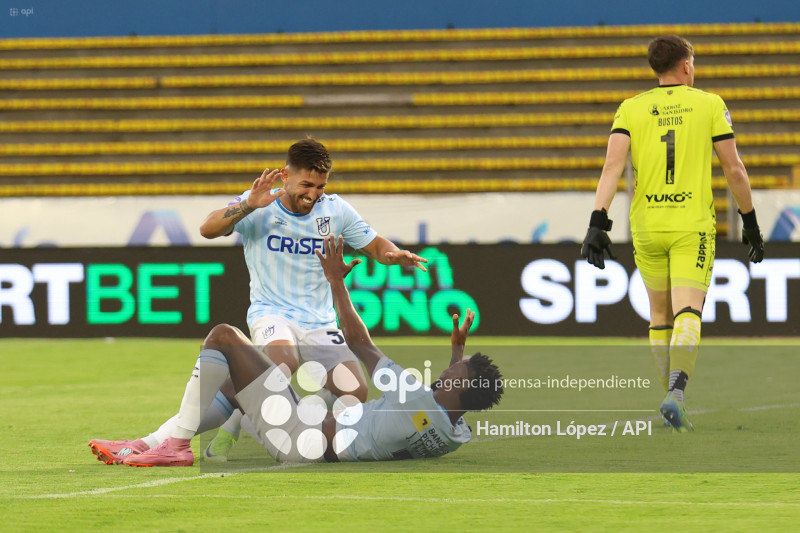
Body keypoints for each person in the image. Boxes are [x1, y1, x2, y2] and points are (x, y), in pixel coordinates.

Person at [100, 138, 428, 464]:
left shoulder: (335, 209)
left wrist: (392, 254)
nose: (313, 194)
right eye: (307, 185)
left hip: (320, 322)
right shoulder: (259, 204)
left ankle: (301, 440)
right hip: (272, 313)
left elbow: (374, 244)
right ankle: (156, 442)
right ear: (285, 176)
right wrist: (247, 206)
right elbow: (207, 228)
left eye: (321, 186)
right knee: (282, 366)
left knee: (354, 390)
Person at [89, 235, 502, 466]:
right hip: (314, 444)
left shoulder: (414, 394)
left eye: (457, 370)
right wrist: (456, 351)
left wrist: (336, 281)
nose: (449, 372)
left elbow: (360, 343)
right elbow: (449, 403)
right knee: (239, 383)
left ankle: (175, 447)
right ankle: (146, 443)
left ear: (460, 382)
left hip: (297, 437)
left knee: (224, 337)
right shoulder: (456, 434)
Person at [580, 35, 764, 432]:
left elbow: (611, 168)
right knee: (688, 311)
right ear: (685, 65)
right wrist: (748, 221)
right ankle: (676, 395)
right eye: (692, 63)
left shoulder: (630, 108)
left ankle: (670, 399)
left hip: (645, 226)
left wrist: (598, 222)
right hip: (690, 226)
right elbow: (734, 169)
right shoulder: (709, 104)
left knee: (659, 316)